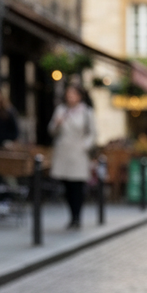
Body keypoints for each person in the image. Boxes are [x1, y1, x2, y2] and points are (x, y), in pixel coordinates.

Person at [48, 84, 96, 229]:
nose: (70, 97)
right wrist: (57, 124)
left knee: (77, 186)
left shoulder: (86, 112)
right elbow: (51, 131)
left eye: (73, 94)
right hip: (63, 153)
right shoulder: (61, 110)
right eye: (68, 94)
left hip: (78, 153)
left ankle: (77, 217)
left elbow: (93, 133)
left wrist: (84, 146)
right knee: (66, 186)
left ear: (80, 96)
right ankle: (71, 216)